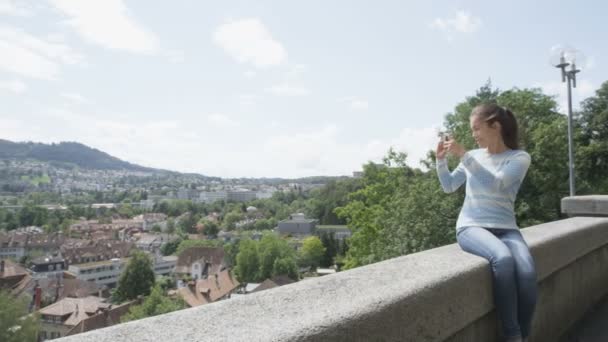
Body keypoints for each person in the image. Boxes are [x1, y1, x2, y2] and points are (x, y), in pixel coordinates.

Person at [435, 103, 537, 342]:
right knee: (502, 259)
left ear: (495, 126)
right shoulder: (474, 156)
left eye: (476, 128)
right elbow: (449, 186)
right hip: (471, 226)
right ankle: (512, 335)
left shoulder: (519, 158)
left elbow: (497, 185)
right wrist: (441, 161)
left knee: (528, 273)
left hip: (507, 229)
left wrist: (464, 155)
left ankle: (523, 335)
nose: (473, 135)